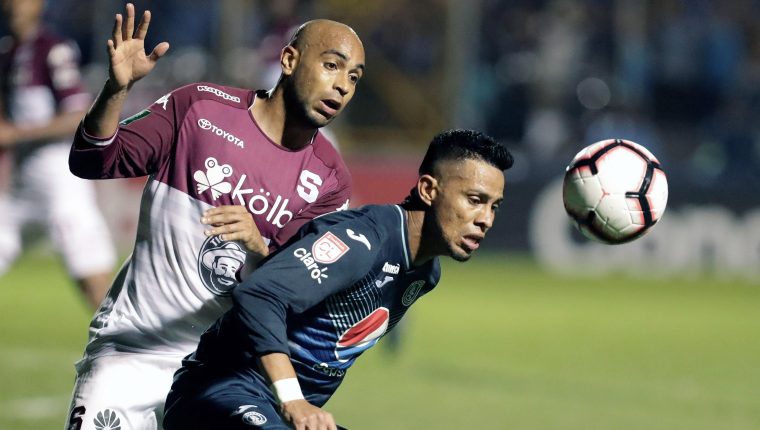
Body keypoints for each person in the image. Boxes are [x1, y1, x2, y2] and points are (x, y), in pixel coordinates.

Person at [65, 3, 365, 429]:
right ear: (289, 59)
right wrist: (116, 90)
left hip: (222, 378)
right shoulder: (200, 109)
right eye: (332, 66)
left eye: (353, 77)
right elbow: (91, 161)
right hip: (130, 354)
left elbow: (299, 298)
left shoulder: (331, 181)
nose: (342, 86)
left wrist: (259, 246)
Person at [163, 129, 514, 430]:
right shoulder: (363, 240)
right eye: (474, 200)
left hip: (284, 414)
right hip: (221, 391)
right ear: (428, 189)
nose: (486, 219)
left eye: (494, 206)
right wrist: (293, 399)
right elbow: (259, 296)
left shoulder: (425, 274)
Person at [0, 0, 116, 309]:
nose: (14, 5)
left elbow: (78, 114)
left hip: (60, 175)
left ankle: (128, 348)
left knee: (91, 278)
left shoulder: (53, 49)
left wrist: (16, 133)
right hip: (22, 182)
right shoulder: (8, 53)